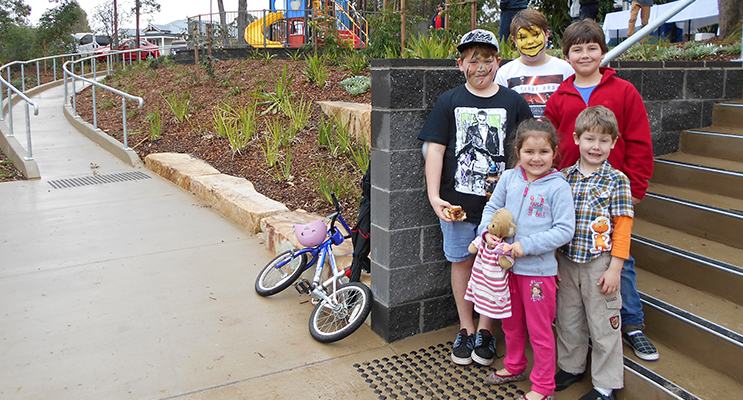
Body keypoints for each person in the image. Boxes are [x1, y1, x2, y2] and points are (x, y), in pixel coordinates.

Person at [544, 18, 659, 362]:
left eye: (592, 48)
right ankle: (578, 331)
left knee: (619, 257)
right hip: (570, 192)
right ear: (566, 55)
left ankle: (632, 323)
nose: (584, 55)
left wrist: (636, 187)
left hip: (610, 192)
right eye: (577, 49)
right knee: (572, 257)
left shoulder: (623, 91)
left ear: (603, 52)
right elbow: (550, 146)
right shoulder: (559, 97)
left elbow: (639, 141)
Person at [418, 28, 532, 367]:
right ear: (460, 64)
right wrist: (434, 197)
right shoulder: (449, 101)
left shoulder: (513, 102)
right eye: (472, 60)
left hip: (500, 210)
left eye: (487, 60)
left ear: (498, 62)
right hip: (457, 206)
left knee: (494, 265)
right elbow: (436, 150)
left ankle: (485, 330)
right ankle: (466, 328)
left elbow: (525, 150)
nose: (480, 67)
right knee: (461, 262)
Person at [480, 118, 576, 400]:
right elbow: (492, 208)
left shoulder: (558, 187)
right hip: (505, 270)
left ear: (554, 152)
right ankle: (514, 365)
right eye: (529, 152)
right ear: (518, 152)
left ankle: (544, 387)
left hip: (538, 273)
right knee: (510, 323)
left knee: (539, 330)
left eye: (544, 152)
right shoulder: (509, 178)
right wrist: (487, 232)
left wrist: (527, 246)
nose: (536, 158)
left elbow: (564, 230)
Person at [555, 106, 633, 400]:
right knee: (568, 318)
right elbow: (555, 222)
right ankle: (571, 366)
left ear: (614, 142)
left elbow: (622, 228)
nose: (596, 146)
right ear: (577, 139)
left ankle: (605, 385)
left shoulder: (617, 180)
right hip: (566, 260)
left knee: (603, 324)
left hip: (599, 264)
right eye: (589, 139)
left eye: (603, 140)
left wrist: (615, 269)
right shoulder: (563, 178)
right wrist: (553, 260)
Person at [495, 9, 575, 119]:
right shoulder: (505, 73)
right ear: (514, 40)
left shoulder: (565, 69)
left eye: (535, 34)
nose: (530, 41)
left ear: (546, 35)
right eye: (523, 37)